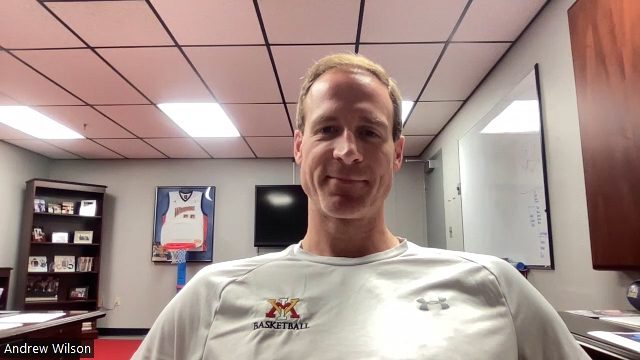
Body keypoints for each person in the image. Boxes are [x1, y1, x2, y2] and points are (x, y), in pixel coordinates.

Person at [133, 54, 589, 359]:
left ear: (396, 153)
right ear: (298, 146)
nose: (347, 151)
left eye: (369, 132)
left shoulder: (494, 286)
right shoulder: (212, 295)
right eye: (327, 129)